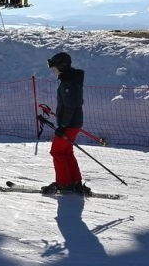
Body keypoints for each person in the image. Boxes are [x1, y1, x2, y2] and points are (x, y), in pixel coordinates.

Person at [41, 52, 90, 195]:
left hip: (69, 125)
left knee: (56, 151)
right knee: (66, 152)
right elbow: (76, 103)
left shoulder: (68, 82)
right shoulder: (71, 80)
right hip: (73, 124)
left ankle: (64, 183)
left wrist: (62, 125)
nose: (53, 70)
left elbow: (71, 106)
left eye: (55, 67)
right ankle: (74, 181)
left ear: (62, 66)